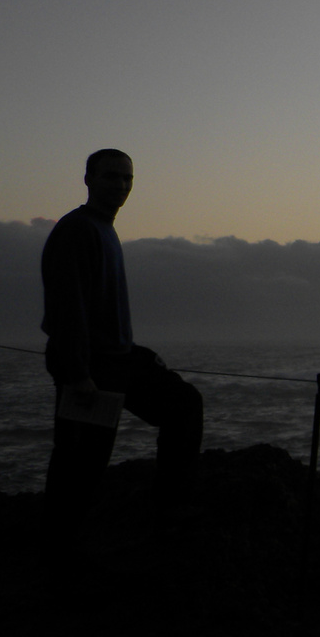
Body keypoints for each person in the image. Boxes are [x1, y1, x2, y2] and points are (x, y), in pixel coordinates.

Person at [42, 148, 203, 550]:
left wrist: (139, 354)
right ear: (88, 179)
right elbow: (67, 307)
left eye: (127, 178)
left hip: (119, 359)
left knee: (183, 405)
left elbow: (102, 312)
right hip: (90, 367)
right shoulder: (77, 229)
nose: (120, 185)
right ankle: (60, 554)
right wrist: (78, 374)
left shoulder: (103, 229)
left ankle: (168, 513)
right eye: (110, 176)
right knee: (81, 464)